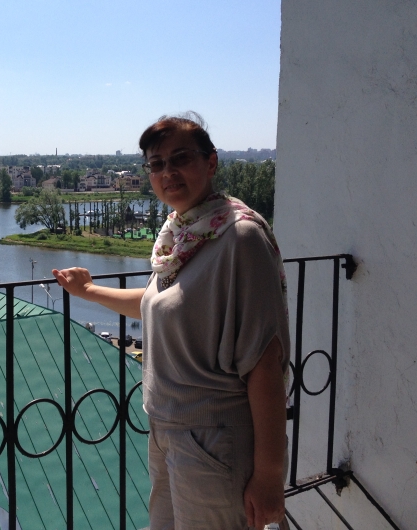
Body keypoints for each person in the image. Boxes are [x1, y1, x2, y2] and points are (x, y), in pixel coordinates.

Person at [53, 113, 290, 530]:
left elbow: (265, 362)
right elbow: (156, 303)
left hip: (214, 437)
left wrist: (270, 475)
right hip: (167, 431)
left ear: (211, 162)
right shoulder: (182, 235)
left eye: (181, 158)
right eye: (157, 164)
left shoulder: (239, 238)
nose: (168, 172)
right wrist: (87, 291)